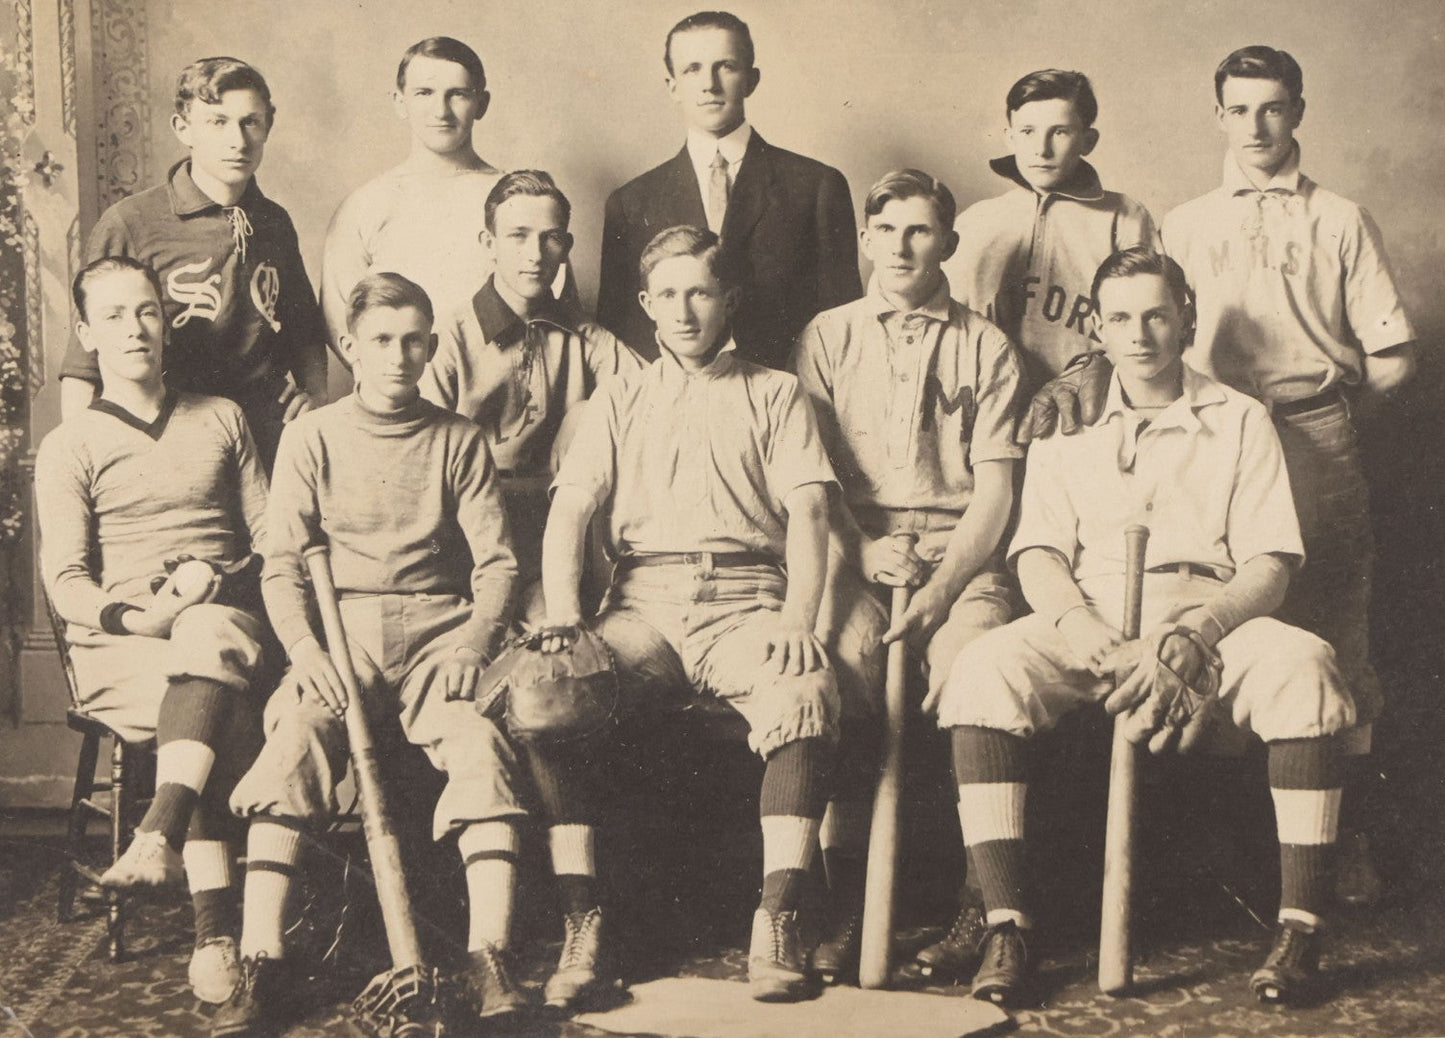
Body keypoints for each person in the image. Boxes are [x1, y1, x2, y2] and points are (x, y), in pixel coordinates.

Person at [932, 247, 1355, 1007]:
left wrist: (1197, 634)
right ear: (1096, 325)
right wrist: (1078, 625)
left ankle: (1300, 927)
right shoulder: (1067, 422)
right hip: (1088, 613)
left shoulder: (1239, 418)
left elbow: (1269, 562)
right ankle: (1005, 922)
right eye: (1120, 317)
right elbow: (1037, 553)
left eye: (1157, 313)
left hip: (1207, 615)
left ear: (1186, 317)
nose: (1139, 333)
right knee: (985, 667)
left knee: (1306, 666)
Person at [216, 274, 527, 1036]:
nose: (399, 356)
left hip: (436, 634)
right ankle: (260, 963)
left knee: (477, 744)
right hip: (339, 629)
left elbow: (498, 565)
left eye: (414, 339)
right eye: (382, 341)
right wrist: (304, 650)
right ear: (351, 348)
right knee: (295, 738)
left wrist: (472, 644)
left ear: (431, 345)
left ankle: (490, 958)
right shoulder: (312, 436)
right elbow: (282, 563)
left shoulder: (457, 439)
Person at [539, 225, 842, 1006]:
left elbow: (808, 515)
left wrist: (799, 620)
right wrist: (568, 619)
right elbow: (569, 515)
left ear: (728, 300)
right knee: (552, 700)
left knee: (804, 697)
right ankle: (584, 921)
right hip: (644, 606)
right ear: (644, 305)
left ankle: (776, 923)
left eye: (699, 292)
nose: (683, 311)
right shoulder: (617, 398)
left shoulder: (775, 392)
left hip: (747, 602)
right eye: (666, 295)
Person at [792, 169, 1023, 984]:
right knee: (833, 670)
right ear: (864, 238)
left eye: (920, 231)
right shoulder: (827, 335)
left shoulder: (986, 346)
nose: (900, 246)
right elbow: (811, 476)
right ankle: (854, 905)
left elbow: (995, 495)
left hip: (959, 556)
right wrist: (858, 552)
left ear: (948, 245)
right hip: (855, 548)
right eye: (885, 229)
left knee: (978, 672)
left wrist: (940, 589)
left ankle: (981, 907)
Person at [36, 256, 272, 1006]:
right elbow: (66, 578)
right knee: (210, 704)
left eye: (146, 311)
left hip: (221, 617)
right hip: (124, 644)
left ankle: (158, 837)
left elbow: (274, 543)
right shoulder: (70, 444)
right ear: (87, 334)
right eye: (114, 316)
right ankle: (212, 932)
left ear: (166, 324)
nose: (135, 328)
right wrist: (140, 617)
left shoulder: (222, 416)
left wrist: (216, 580)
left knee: (204, 645)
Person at [57, 57, 327, 472]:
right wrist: (80, 460)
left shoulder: (274, 221)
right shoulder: (131, 222)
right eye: (217, 122)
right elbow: (84, 362)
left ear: (268, 126)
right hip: (171, 440)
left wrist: (316, 394)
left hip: (267, 437)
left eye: (250, 122)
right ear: (183, 129)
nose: (237, 140)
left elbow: (304, 328)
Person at [420, 170, 641, 621]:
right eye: (518, 236)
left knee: (559, 644)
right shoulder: (450, 337)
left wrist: (584, 420)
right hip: (471, 538)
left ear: (567, 246)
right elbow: (419, 461)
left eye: (550, 238)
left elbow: (657, 398)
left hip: (558, 536)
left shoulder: (585, 337)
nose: (535, 255)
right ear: (489, 244)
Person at [597, 10, 860, 366]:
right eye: (692, 69)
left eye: (726, 66)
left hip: (787, 403)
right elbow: (621, 340)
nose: (709, 84)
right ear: (673, 86)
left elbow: (842, 328)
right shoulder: (631, 204)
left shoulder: (816, 187)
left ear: (751, 80)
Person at [320, 37, 576, 359]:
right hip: (405, 398)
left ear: (481, 104)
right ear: (400, 102)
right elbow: (342, 322)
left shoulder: (519, 199)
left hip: (506, 390)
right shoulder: (364, 206)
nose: (441, 111)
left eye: (458, 94)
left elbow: (559, 306)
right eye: (424, 93)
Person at [943, 69, 1156, 399]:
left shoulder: (1123, 217)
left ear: (1088, 140)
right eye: (1027, 131)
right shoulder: (975, 222)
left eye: (1060, 132)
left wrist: (1097, 371)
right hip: (984, 406)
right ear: (1009, 137)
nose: (1041, 149)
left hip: (1085, 407)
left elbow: (1149, 325)